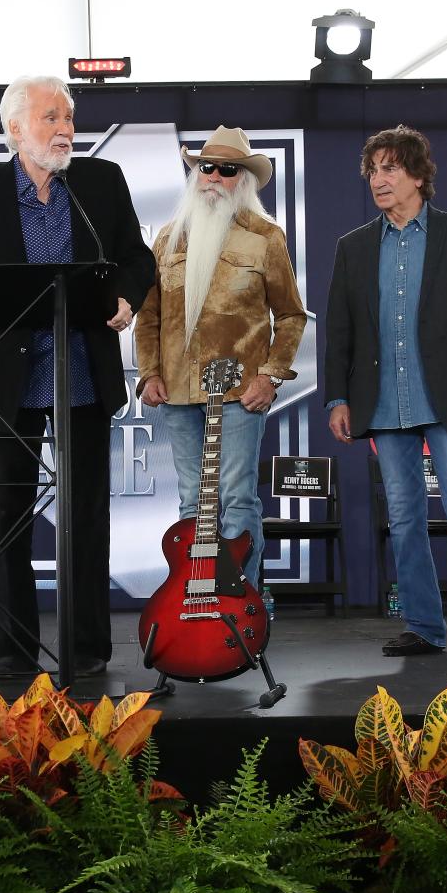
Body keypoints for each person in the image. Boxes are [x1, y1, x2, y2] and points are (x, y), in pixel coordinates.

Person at [0, 76, 156, 679]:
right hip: (6, 377)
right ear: (14, 128)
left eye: (69, 117)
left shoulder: (99, 183)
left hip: (81, 366)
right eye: (50, 117)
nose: (65, 129)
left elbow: (137, 256)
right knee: (10, 517)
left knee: (85, 511)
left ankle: (86, 646)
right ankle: (15, 648)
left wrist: (128, 299)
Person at [322, 126, 447, 664]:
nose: (378, 181)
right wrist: (338, 397)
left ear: (419, 177)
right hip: (381, 401)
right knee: (404, 518)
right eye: (373, 171)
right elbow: (340, 332)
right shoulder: (354, 247)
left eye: (390, 169)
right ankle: (424, 626)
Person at [133, 127, 307, 589]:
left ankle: (240, 604)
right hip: (177, 390)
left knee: (237, 498)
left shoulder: (266, 238)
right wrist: (148, 372)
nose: (213, 176)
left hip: (239, 393)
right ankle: (196, 604)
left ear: (242, 179)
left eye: (226, 170)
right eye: (205, 167)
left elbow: (291, 315)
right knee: (191, 501)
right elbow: (147, 316)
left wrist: (269, 376)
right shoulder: (167, 240)